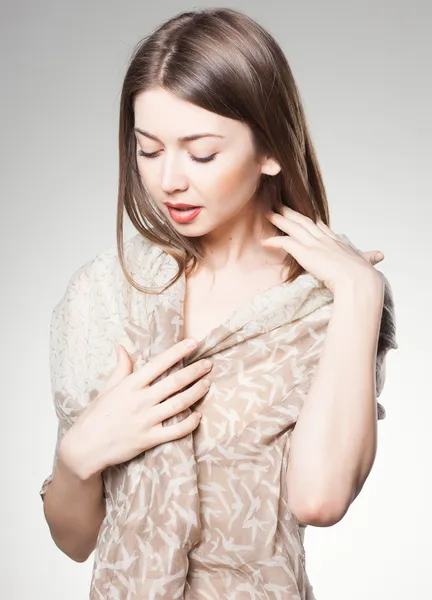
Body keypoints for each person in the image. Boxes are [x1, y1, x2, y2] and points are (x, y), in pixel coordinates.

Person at [40, 7, 397, 600]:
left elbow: (319, 498)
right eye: (148, 150)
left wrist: (361, 294)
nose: (170, 180)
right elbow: (75, 541)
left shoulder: (325, 307)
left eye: (201, 153)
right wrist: (78, 455)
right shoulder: (107, 293)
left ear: (271, 150)